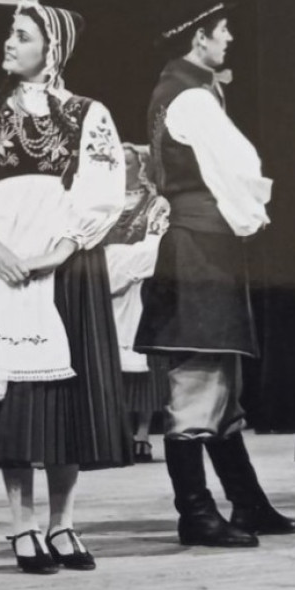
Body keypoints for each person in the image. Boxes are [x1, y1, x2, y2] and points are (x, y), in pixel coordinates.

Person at [0, 1, 130, 573]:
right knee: (15, 395)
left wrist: (59, 250)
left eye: (22, 36)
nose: (9, 43)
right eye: (10, 34)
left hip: (65, 261)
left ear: (51, 49)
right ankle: (21, 526)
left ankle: (62, 524)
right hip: (0, 262)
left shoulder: (88, 113)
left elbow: (103, 186)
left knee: (65, 399)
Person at [132, 0, 295, 547]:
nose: (230, 38)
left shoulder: (180, 91)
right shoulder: (192, 100)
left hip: (202, 246)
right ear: (199, 35)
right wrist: (252, 215)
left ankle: (247, 502)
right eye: (222, 28)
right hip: (199, 247)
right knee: (198, 381)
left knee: (218, 383)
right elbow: (242, 174)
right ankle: (196, 512)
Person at [103, 144, 172, 462]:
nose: (122, 167)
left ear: (140, 165)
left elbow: (155, 244)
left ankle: (142, 433)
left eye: (128, 162)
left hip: (139, 284)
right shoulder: (103, 203)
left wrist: (123, 266)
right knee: (108, 361)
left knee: (141, 363)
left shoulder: (156, 203)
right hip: (105, 285)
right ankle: (113, 431)